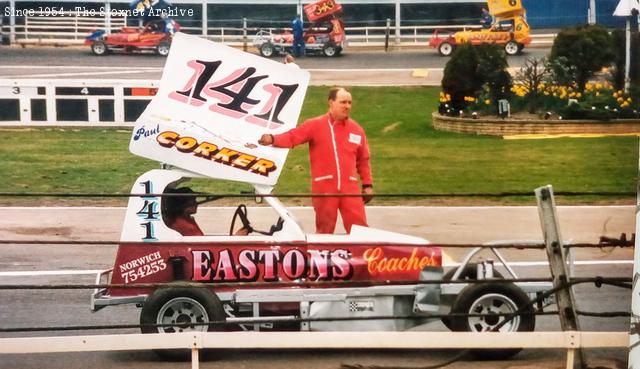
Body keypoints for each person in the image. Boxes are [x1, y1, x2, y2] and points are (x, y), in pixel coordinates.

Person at [258, 87, 374, 234]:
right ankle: (322, 256)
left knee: (360, 229)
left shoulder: (356, 130)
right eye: (343, 102)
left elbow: (363, 159)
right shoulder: (315, 125)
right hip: (324, 188)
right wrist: (273, 139)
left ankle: (364, 255)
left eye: (349, 102)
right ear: (331, 103)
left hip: (350, 188)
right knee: (324, 230)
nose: (347, 106)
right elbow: (294, 136)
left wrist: (368, 184)